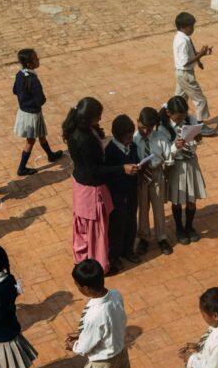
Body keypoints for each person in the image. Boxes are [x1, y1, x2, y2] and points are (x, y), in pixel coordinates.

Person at [62, 97, 139, 273]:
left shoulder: (80, 130)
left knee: (86, 229)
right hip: (91, 189)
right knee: (96, 230)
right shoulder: (84, 138)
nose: (100, 120)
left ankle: (87, 258)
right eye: (98, 117)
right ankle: (100, 264)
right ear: (89, 118)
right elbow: (94, 170)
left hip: (83, 186)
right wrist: (122, 168)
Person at [159, 96, 207, 244]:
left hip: (191, 162)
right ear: (169, 113)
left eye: (184, 115)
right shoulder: (163, 128)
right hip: (176, 165)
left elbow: (195, 140)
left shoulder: (190, 120)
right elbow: (164, 153)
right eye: (179, 116)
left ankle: (189, 227)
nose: (182, 118)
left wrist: (197, 138)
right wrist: (175, 147)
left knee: (191, 199)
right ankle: (179, 228)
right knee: (177, 199)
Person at [12, 48, 63, 177]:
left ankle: (50, 154)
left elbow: (14, 90)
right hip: (32, 115)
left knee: (41, 135)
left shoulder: (19, 74)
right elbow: (40, 99)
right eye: (35, 58)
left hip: (24, 112)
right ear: (29, 64)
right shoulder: (33, 80)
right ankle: (21, 168)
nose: (38, 60)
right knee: (30, 141)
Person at [103, 114, 142, 273]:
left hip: (131, 191)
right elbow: (108, 174)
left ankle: (129, 250)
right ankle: (114, 256)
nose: (131, 138)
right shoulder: (110, 151)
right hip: (117, 194)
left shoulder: (132, 147)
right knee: (117, 225)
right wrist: (123, 172)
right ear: (118, 136)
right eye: (128, 136)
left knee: (131, 220)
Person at [134, 107, 174, 257]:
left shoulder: (160, 138)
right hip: (141, 177)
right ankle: (144, 237)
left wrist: (165, 178)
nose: (145, 131)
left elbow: (169, 160)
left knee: (159, 208)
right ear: (137, 122)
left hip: (157, 174)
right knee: (143, 208)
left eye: (149, 129)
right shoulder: (134, 139)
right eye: (143, 127)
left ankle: (161, 237)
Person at [172, 12, 215, 136]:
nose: (193, 29)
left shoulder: (181, 37)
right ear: (184, 27)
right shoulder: (182, 41)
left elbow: (189, 54)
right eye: (191, 27)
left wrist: (202, 54)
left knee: (179, 99)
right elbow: (185, 62)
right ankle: (200, 126)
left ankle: (170, 120)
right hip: (185, 74)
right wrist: (200, 54)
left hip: (182, 74)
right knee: (200, 100)